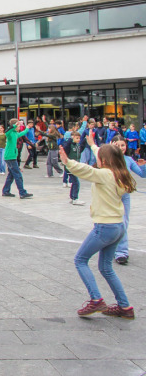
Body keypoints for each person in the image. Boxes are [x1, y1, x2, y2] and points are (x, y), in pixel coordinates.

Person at [59, 141, 135, 319]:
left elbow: (87, 171)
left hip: (104, 226)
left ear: (104, 160)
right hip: (118, 226)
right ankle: (125, 307)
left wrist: (67, 162)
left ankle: (96, 299)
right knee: (106, 267)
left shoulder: (105, 175)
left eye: (99, 156)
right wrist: (93, 144)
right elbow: (100, 157)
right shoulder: (120, 174)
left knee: (80, 259)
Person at [107, 135, 146, 265]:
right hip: (110, 195)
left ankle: (121, 252)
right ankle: (115, 250)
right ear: (111, 145)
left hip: (124, 195)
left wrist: (144, 165)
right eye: (117, 145)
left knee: (123, 223)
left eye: (122, 145)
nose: (120, 147)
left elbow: (142, 174)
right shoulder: (106, 160)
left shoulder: (128, 160)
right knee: (111, 223)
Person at [2, 119, 33, 199]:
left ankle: (6, 191)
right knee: (17, 174)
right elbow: (7, 131)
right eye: (18, 126)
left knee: (11, 175)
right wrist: (15, 125)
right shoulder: (10, 133)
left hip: (12, 156)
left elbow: (22, 133)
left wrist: (27, 128)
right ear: (15, 125)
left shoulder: (15, 134)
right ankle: (22, 192)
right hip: (10, 157)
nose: (19, 127)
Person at [62, 131, 84, 205]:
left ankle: (72, 197)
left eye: (79, 138)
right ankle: (75, 198)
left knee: (74, 182)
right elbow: (65, 149)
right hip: (70, 166)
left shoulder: (77, 145)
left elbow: (80, 151)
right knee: (76, 182)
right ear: (72, 137)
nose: (78, 140)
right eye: (76, 138)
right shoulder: (69, 145)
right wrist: (70, 140)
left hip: (75, 166)